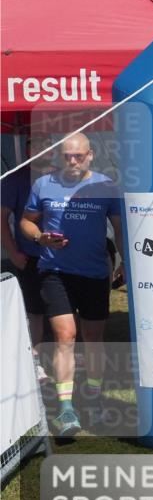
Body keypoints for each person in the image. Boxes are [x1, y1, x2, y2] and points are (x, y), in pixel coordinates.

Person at [19, 133, 123, 436]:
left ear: (90, 155)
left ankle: (93, 397)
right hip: (55, 271)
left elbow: (119, 228)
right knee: (65, 336)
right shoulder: (44, 184)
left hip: (93, 273)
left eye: (78, 156)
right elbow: (26, 222)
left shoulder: (105, 185)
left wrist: (126, 263)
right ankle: (66, 409)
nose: (73, 161)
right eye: (67, 156)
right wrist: (40, 237)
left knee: (93, 338)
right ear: (58, 157)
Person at [1, 137, 49, 381]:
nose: (44, 146)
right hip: (30, 257)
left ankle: (72, 356)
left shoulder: (64, 176)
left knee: (67, 309)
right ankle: (35, 361)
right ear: (29, 147)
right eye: (37, 142)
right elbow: (1, 219)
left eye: (49, 141)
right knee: (35, 312)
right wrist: (13, 253)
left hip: (63, 258)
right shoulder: (16, 179)